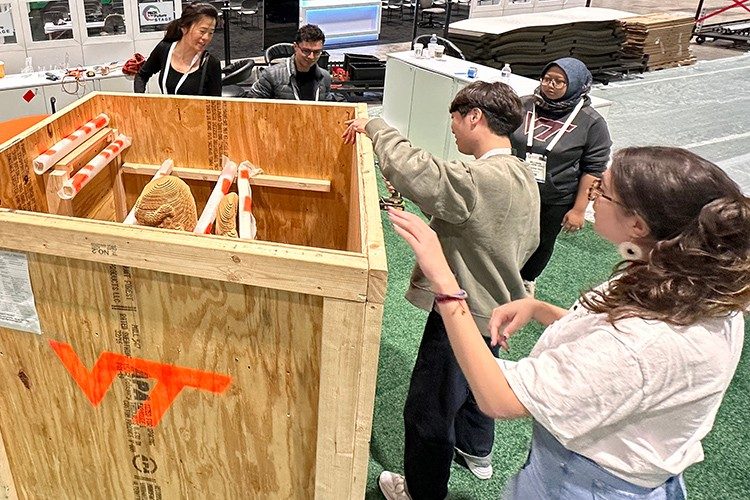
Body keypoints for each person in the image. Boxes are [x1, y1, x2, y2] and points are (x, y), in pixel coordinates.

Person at [387, 146, 750, 499]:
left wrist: (446, 284)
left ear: (638, 224)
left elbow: (499, 398)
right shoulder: (697, 284)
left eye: (603, 191)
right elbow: (617, 354)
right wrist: (543, 310)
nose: (592, 195)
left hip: (585, 484)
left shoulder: (646, 341)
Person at [343, 81, 540, 499]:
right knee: (477, 383)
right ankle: (476, 451)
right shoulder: (520, 172)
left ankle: (421, 491)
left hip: (463, 310)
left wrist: (374, 125)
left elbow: (419, 169)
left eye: (455, 117)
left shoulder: (479, 178)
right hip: (499, 305)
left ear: (474, 117)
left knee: (428, 410)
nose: (452, 127)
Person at [510, 57, 612, 295]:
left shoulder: (591, 122)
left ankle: (526, 280)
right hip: (515, 187)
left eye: (559, 81)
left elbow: (593, 168)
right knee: (507, 232)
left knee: (542, 241)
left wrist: (578, 210)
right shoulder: (524, 105)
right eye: (547, 79)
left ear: (577, 85)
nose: (550, 85)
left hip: (555, 196)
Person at [134, 3, 222, 97]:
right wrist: (140, 99)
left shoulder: (211, 64)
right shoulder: (164, 49)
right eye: (202, 31)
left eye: (211, 33)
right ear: (184, 28)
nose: (206, 37)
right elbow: (142, 75)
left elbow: (215, 105)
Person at [244, 24, 331, 101]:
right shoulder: (271, 75)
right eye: (306, 51)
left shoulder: (325, 77)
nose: (311, 57)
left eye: (316, 52)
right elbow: (252, 108)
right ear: (295, 47)